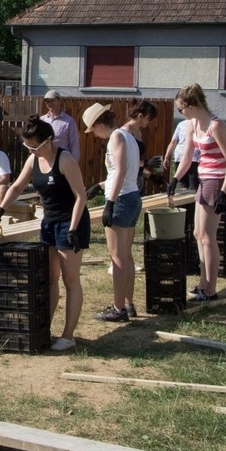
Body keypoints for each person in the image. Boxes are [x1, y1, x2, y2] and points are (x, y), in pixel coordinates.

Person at [0, 115, 91, 352]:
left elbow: (80, 196)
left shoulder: (64, 159)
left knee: (70, 279)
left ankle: (68, 335)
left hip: (70, 223)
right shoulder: (33, 160)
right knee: (50, 278)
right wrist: (1, 208)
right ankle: (46, 327)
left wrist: (74, 228)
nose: (31, 150)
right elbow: (16, 186)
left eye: (34, 146)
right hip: (49, 224)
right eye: (27, 147)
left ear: (48, 141)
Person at [167, 83, 226, 302]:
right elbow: (188, 158)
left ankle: (211, 289)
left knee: (208, 237)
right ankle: (202, 283)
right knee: (198, 234)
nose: (181, 113)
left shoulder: (215, 126)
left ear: (192, 104)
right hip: (202, 178)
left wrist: (224, 193)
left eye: (181, 108)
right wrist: (175, 179)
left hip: (216, 181)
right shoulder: (191, 125)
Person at [82, 103, 142, 322]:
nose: (94, 135)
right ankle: (128, 303)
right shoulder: (128, 136)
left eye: (93, 130)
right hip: (132, 196)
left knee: (117, 256)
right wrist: (99, 186)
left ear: (98, 125)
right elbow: (121, 172)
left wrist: (109, 202)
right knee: (125, 255)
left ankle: (118, 309)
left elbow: (120, 172)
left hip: (122, 199)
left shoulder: (115, 138)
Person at [120, 98, 163, 194]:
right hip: (127, 184)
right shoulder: (125, 132)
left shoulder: (138, 132)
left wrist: (151, 176)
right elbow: (126, 162)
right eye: (148, 119)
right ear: (140, 116)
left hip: (138, 180)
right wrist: (146, 162)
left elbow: (136, 164)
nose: (149, 122)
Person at [40, 90, 80, 161]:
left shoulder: (69, 121)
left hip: (62, 161)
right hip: (45, 160)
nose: (50, 103)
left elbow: (74, 145)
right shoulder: (42, 120)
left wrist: (73, 164)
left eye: (52, 100)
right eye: (47, 101)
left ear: (60, 101)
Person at [163, 118, 200, 191]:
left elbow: (173, 142)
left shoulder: (181, 124)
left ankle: (184, 199)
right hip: (194, 156)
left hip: (180, 155)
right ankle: (192, 200)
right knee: (194, 183)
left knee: (183, 183)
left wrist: (167, 157)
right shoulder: (200, 123)